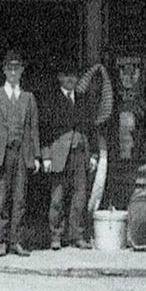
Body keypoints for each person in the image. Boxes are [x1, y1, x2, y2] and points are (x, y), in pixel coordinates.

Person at [0, 50, 40, 257]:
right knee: (1, 199)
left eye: (17, 68)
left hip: (21, 154)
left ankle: (17, 242)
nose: (13, 72)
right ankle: (3, 242)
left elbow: (33, 129)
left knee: (20, 199)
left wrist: (36, 156)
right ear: (4, 71)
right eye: (10, 68)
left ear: (22, 71)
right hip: (0, 154)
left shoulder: (28, 98)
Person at [42, 63, 98, 250]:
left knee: (80, 197)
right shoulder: (52, 100)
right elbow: (45, 131)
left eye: (73, 76)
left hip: (80, 155)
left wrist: (94, 155)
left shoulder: (83, 100)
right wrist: (46, 156)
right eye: (66, 76)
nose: (70, 80)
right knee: (57, 197)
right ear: (60, 78)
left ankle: (77, 235)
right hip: (59, 155)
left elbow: (92, 129)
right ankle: (56, 236)